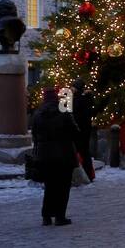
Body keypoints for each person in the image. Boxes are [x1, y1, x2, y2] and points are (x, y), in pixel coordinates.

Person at [31, 87, 81, 226]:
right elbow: (75, 131)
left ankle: (46, 216)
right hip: (63, 154)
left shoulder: (38, 114)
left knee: (49, 186)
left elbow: (34, 135)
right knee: (63, 187)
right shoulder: (63, 112)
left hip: (44, 156)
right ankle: (60, 216)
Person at [71, 78, 95, 181]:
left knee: (77, 151)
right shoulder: (87, 99)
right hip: (86, 128)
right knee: (85, 152)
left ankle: (80, 174)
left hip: (77, 129)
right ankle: (89, 174)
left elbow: (66, 111)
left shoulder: (75, 100)